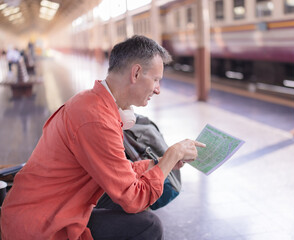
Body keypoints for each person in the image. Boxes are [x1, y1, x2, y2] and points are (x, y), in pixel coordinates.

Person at [1, 35, 206, 240]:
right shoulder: (97, 120)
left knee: (122, 201)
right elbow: (134, 198)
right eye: (155, 79)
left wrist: (160, 163)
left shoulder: (94, 102)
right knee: (148, 226)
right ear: (135, 73)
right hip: (42, 225)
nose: (158, 89)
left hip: (46, 205)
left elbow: (119, 171)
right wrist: (171, 155)